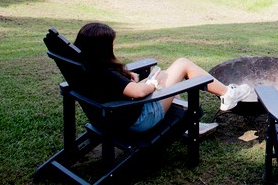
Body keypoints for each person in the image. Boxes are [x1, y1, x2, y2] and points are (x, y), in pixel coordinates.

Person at [74, 22, 251, 133]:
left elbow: (120, 87)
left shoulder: (87, 67)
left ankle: (188, 125)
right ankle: (227, 94)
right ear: (103, 49)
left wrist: (129, 77)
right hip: (140, 119)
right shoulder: (105, 73)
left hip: (117, 115)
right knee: (183, 64)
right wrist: (152, 83)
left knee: (166, 75)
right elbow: (138, 92)